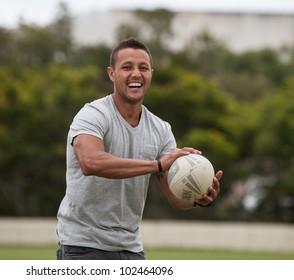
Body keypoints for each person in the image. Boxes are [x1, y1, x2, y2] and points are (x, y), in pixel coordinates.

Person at [56, 38, 223, 260]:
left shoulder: (161, 129)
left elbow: (175, 199)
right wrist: (157, 164)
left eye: (143, 68)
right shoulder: (92, 114)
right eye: (127, 67)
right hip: (83, 246)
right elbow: (91, 162)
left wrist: (199, 198)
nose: (136, 73)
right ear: (111, 73)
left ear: (151, 74)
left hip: (131, 249)